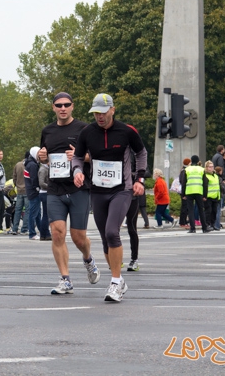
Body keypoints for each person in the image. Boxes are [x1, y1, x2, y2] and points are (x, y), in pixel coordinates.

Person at [72, 93, 147, 302]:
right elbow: (78, 156)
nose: (99, 117)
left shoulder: (127, 131)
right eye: (96, 113)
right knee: (105, 238)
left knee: (112, 232)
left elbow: (141, 153)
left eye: (103, 113)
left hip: (121, 190)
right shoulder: (87, 132)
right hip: (97, 190)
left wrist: (140, 180)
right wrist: (77, 170)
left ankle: (114, 282)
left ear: (112, 110)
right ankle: (119, 280)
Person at [38, 92, 99, 295]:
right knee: (57, 233)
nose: (62, 108)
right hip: (55, 188)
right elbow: (46, 158)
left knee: (78, 238)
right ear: (53, 108)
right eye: (58, 105)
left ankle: (88, 259)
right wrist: (42, 156)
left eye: (66, 105)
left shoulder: (84, 129)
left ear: (73, 106)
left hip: (78, 188)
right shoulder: (47, 131)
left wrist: (81, 156)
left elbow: (97, 155)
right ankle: (65, 279)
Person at [180, 155, 209, 233]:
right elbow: (205, 183)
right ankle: (204, 228)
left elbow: (184, 182)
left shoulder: (187, 169)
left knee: (190, 210)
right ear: (198, 161)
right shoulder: (201, 169)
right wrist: (205, 195)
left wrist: (183, 194)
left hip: (189, 192)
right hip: (199, 191)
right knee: (201, 210)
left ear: (191, 161)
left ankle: (192, 228)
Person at [24, 147, 42, 240]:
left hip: (31, 191)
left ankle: (41, 231)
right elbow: (34, 179)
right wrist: (37, 188)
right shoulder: (32, 165)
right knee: (33, 213)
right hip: (34, 192)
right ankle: (32, 233)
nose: (40, 154)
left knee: (38, 213)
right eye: (39, 153)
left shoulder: (30, 163)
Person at [11, 155, 29, 235]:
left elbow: (14, 177)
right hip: (27, 191)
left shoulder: (17, 165)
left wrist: (17, 185)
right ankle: (24, 229)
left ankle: (14, 228)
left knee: (18, 210)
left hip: (19, 190)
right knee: (27, 210)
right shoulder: (29, 165)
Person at [38, 153, 52, 240]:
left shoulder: (46, 168)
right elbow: (41, 183)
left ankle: (44, 234)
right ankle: (45, 233)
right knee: (46, 215)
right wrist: (50, 186)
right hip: (44, 193)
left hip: (45, 192)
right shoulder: (43, 169)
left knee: (46, 214)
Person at [204, 161, 221, 233]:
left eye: (212, 167)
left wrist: (218, 196)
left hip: (215, 196)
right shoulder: (205, 176)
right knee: (208, 211)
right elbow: (204, 187)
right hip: (208, 196)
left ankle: (212, 224)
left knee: (214, 211)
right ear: (206, 168)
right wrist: (204, 196)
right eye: (210, 167)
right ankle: (207, 224)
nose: (211, 168)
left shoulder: (216, 176)